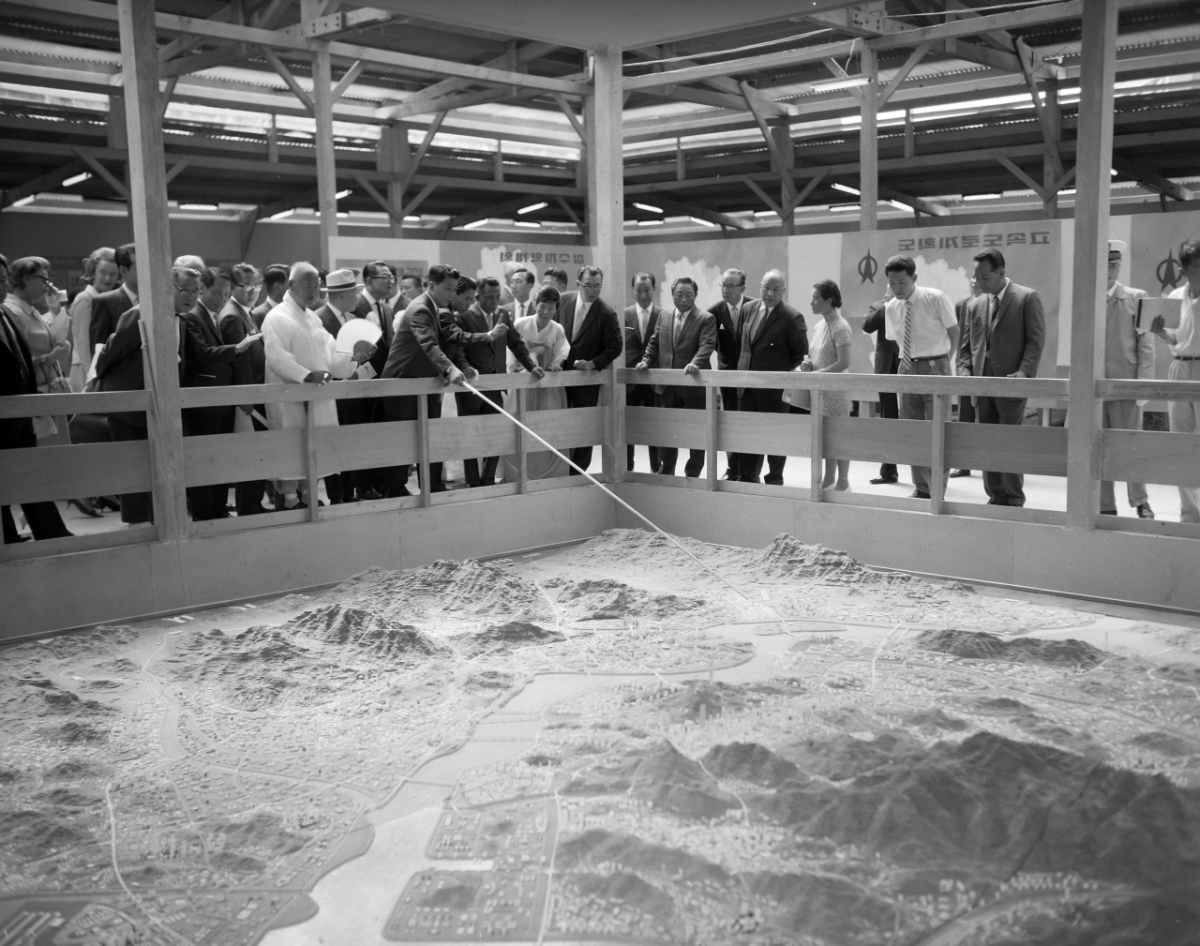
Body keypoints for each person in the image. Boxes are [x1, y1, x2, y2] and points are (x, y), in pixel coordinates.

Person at [379, 265, 504, 496]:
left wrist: (458, 366)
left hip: (426, 382)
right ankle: (395, 490)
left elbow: (450, 344)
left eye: (454, 289)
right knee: (403, 439)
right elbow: (429, 344)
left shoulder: (439, 308)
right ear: (431, 285)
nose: (451, 293)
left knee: (430, 435)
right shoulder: (420, 309)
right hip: (402, 382)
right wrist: (450, 369)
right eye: (447, 288)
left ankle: (430, 486)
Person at [261, 262, 375, 510]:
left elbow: (332, 355)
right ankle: (289, 499)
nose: (313, 292)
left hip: (317, 395)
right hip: (290, 397)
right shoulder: (277, 317)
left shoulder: (313, 319)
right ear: (292, 285)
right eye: (307, 286)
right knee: (291, 445)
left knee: (314, 446)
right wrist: (305, 375)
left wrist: (354, 358)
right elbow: (276, 357)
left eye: (316, 287)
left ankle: (307, 495)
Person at [958, 248, 1045, 507]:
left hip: (1012, 382)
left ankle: (1014, 496)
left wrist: (1024, 372)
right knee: (988, 438)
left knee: (1009, 439)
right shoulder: (974, 305)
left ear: (1001, 272)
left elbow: (1035, 341)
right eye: (976, 277)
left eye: (985, 277)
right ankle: (995, 494)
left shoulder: (1027, 298)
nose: (979, 282)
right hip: (981, 384)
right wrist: (965, 371)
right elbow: (965, 347)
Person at [0, 256, 73, 543]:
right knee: (23, 472)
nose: (3, 285)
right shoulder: (14, 310)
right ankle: (19, 534)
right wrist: (48, 358)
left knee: (30, 471)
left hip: (26, 401)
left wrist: (55, 310)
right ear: (25, 279)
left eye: (2, 279)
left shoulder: (11, 312)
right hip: (12, 404)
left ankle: (48, 532)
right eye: (42, 279)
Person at [453, 275, 542, 488]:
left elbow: (516, 343)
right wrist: (465, 369)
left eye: (497, 297)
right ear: (478, 296)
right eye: (489, 297)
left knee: (496, 434)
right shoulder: (464, 315)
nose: (494, 302)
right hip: (471, 386)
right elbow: (458, 350)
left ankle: (488, 478)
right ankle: (473, 481)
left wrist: (531, 366)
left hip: (496, 384)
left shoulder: (502, 313)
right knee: (470, 435)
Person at [180, 267, 251, 520]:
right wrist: (237, 348)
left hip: (221, 398)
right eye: (218, 292)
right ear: (203, 289)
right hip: (205, 400)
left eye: (226, 293)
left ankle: (218, 508)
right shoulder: (192, 316)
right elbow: (201, 353)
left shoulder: (213, 315)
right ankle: (204, 511)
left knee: (220, 458)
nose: (222, 298)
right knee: (205, 459)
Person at [885, 255, 958, 500]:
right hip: (907, 367)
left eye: (902, 283)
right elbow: (894, 339)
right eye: (892, 283)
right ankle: (922, 488)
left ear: (914, 278)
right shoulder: (892, 306)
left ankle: (937, 490)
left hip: (935, 365)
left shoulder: (935, 298)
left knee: (939, 430)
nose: (897, 288)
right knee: (913, 430)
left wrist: (946, 361)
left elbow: (954, 331)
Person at [1096, 240, 1156, 519]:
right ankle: (1104, 505)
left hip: (1126, 384)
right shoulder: (1088, 299)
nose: (1110, 269)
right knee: (1099, 447)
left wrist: (1143, 386)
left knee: (1132, 446)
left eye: (1114, 264)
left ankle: (1141, 501)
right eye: (1106, 264)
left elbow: (1147, 346)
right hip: (1095, 386)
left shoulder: (1137, 297)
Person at [635, 276, 716, 478]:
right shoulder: (664, 315)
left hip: (693, 385)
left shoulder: (706, 318)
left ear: (696, 295)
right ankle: (667, 471)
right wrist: (646, 361)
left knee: (695, 431)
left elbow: (706, 345)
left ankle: (693, 473)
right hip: (667, 385)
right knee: (668, 430)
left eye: (688, 295)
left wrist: (695, 363)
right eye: (679, 294)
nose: (683, 299)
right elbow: (654, 342)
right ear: (672, 295)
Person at [734, 268, 808, 484]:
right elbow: (744, 345)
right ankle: (748, 477)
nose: (770, 294)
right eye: (766, 288)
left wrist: (784, 379)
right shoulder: (747, 309)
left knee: (775, 437)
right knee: (748, 436)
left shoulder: (792, 317)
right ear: (760, 287)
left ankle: (774, 478)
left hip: (775, 392)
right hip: (746, 386)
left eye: (776, 289)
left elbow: (799, 356)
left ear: (783, 291)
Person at [1151, 236, 1200, 523]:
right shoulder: (1175, 297)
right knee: (1181, 445)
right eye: (1197, 268)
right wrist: (1162, 334)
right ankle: (1191, 515)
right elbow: (1174, 337)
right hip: (1179, 368)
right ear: (1183, 271)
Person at [500, 284, 571, 481]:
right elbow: (510, 353)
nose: (546, 311)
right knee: (518, 428)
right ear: (535, 303)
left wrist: (556, 363)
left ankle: (550, 474)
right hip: (523, 384)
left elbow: (562, 352)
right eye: (542, 306)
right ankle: (516, 475)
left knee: (548, 428)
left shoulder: (557, 329)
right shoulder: (520, 324)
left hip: (547, 387)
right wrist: (517, 368)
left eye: (551, 308)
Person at [556, 265, 622, 474]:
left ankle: (579, 473)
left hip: (587, 381)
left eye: (597, 286)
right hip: (558, 377)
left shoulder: (607, 313)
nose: (592, 291)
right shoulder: (562, 301)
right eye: (588, 286)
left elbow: (615, 347)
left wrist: (593, 363)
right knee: (560, 424)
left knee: (584, 427)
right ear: (578, 284)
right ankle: (559, 469)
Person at [219, 262, 270, 516]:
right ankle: (249, 506)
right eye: (245, 285)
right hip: (246, 398)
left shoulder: (244, 312)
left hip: (256, 393)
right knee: (251, 453)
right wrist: (248, 395)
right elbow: (240, 361)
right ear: (232, 287)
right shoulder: (232, 316)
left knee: (256, 452)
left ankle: (252, 503)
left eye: (256, 285)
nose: (252, 291)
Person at [801, 279, 853, 491]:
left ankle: (843, 480)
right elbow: (817, 357)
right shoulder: (818, 326)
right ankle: (829, 478)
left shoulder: (841, 327)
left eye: (816, 298)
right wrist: (808, 366)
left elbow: (844, 362)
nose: (811, 302)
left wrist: (818, 375)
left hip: (836, 392)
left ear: (829, 301)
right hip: (820, 391)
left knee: (839, 436)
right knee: (825, 437)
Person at [707, 268, 753, 480]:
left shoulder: (754, 307)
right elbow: (712, 343)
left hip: (750, 375)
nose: (725, 289)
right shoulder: (713, 312)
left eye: (731, 286)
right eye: (723, 285)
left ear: (742, 288)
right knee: (729, 422)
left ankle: (751, 471)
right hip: (727, 376)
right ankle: (733, 469)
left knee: (749, 423)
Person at [624, 272, 662, 473]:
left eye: (647, 290)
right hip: (629, 379)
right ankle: (627, 468)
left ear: (654, 289)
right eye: (639, 290)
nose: (643, 295)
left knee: (654, 426)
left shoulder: (663, 315)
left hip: (653, 379)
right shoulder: (623, 314)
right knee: (627, 426)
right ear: (633, 290)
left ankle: (657, 469)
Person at [862, 287, 900, 485]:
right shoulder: (880, 307)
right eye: (889, 288)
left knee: (916, 420)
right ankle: (889, 471)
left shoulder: (911, 304)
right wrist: (887, 305)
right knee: (888, 420)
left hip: (910, 370)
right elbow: (867, 326)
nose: (892, 291)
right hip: (887, 371)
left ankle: (923, 476)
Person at [69, 247, 118, 392]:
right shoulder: (85, 299)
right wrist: (91, 378)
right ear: (93, 272)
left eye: (113, 274)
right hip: (85, 370)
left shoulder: (108, 300)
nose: (108, 278)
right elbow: (84, 342)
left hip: (100, 370)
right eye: (103, 272)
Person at [950, 278, 983, 478]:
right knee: (964, 415)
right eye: (972, 279)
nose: (974, 282)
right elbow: (960, 336)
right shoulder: (961, 305)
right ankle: (963, 464)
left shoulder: (992, 304)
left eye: (978, 279)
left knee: (988, 417)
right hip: (965, 366)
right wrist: (962, 366)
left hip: (986, 367)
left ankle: (991, 465)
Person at [88, 242, 138, 354]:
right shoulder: (105, 302)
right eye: (139, 268)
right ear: (123, 271)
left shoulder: (153, 301)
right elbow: (98, 352)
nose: (147, 272)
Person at [252, 264, 288, 329]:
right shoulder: (257, 316)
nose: (294, 289)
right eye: (290, 284)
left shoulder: (293, 312)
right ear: (277, 286)